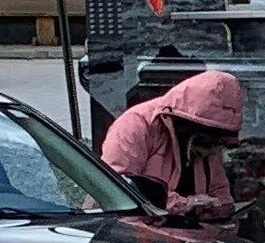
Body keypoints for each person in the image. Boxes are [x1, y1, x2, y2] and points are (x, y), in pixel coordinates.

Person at [100, 67, 245, 223]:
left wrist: (221, 210)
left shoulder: (207, 140)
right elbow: (115, 189)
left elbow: (219, 190)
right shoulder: (136, 124)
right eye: (208, 142)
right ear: (191, 127)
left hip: (184, 234)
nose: (210, 152)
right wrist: (184, 204)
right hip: (130, 232)